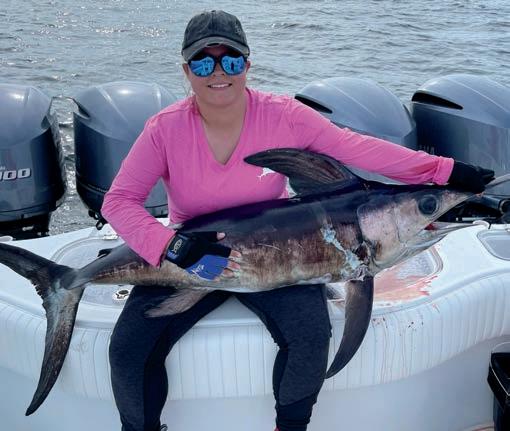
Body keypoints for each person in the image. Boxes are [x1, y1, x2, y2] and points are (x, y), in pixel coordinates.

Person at [101, 10, 494, 431]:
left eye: (230, 60)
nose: (218, 73)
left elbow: (358, 149)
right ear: (186, 70)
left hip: (278, 251)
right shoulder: (164, 129)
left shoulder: (283, 115)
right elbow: (119, 201)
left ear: (247, 65)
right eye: (203, 62)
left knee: (310, 336)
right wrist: (174, 247)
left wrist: (445, 170)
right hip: (192, 256)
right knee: (128, 351)